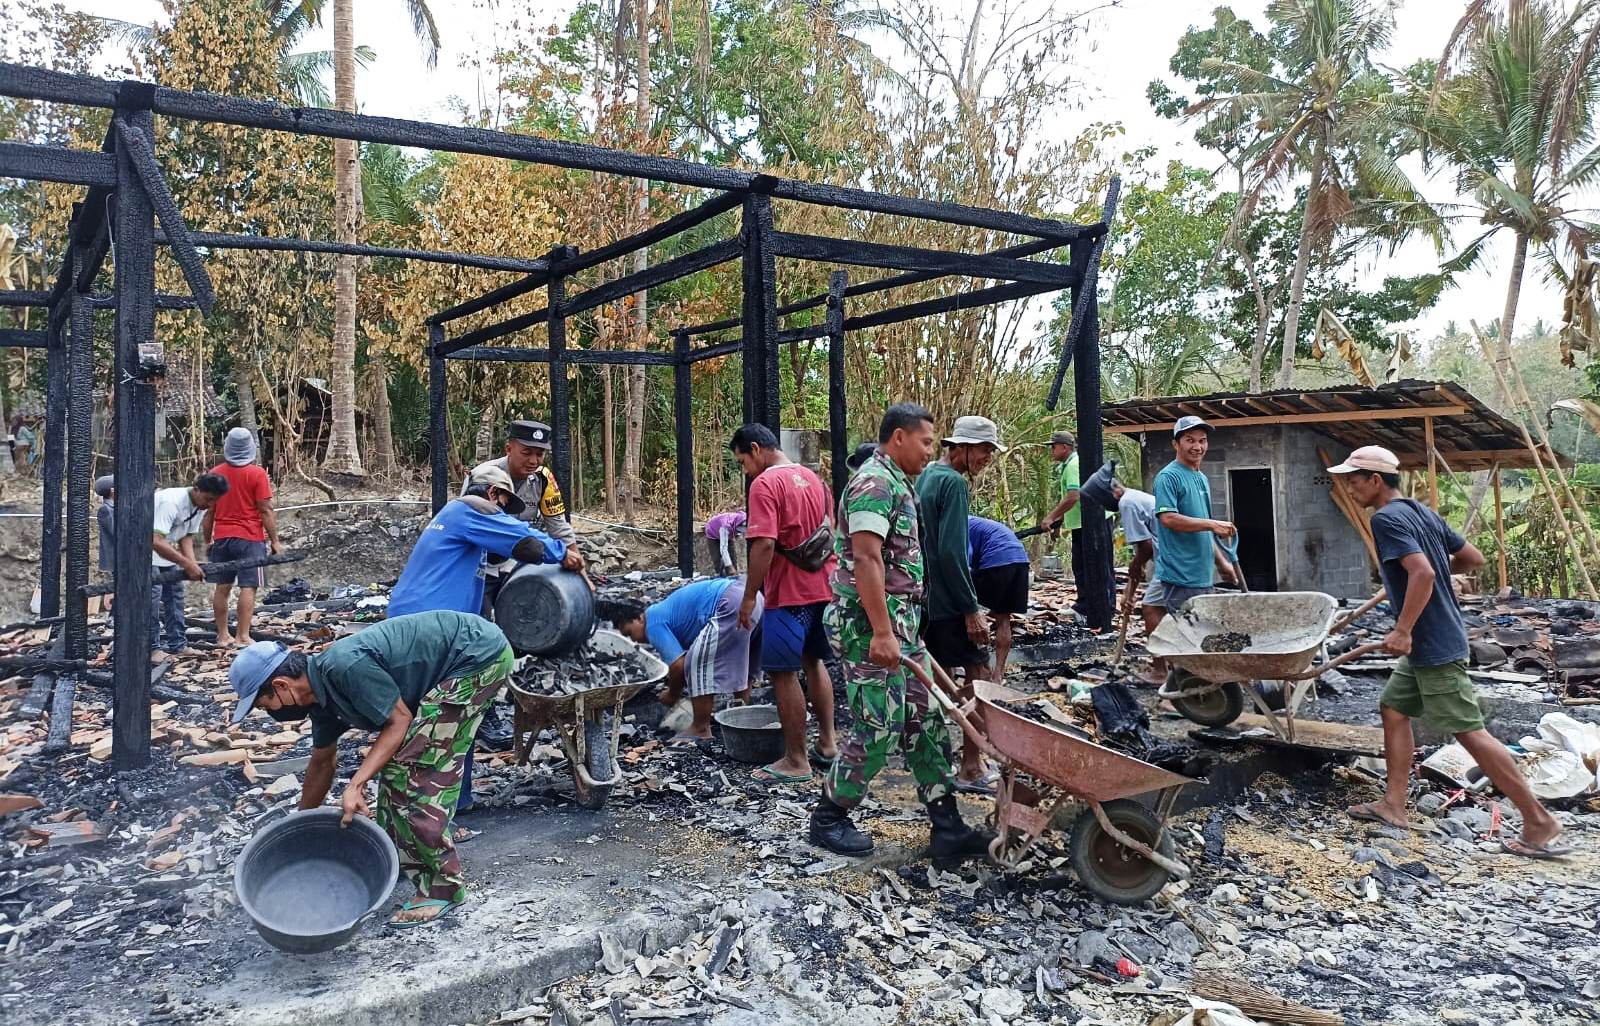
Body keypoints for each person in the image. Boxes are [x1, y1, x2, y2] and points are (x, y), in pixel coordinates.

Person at [1328, 446, 1568, 858]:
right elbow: (1470, 559)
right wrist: (1429, 576)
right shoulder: (1420, 512)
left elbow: (1423, 571)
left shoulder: (1386, 517)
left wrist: (1403, 629)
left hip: (1433, 642)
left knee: (1468, 730)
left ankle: (1539, 820)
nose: (1349, 488)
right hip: (1432, 641)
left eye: (1353, 479)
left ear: (1375, 480)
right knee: (1393, 709)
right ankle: (1394, 805)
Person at [228, 610, 516, 926]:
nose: (267, 712)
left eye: (262, 704)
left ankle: (444, 889)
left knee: (416, 773)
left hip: (476, 657)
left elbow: (399, 720)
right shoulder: (322, 701)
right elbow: (322, 763)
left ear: (281, 686)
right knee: (394, 769)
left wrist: (356, 784)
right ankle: (396, 858)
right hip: (460, 660)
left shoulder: (344, 666)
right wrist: (300, 831)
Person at [809, 403, 992, 864]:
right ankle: (829, 816)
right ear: (898, 438)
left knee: (925, 722)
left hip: (898, 625)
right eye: (927, 441)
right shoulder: (874, 482)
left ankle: (947, 827)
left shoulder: (898, 482)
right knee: (879, 725)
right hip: (868, 627)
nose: (931, 452)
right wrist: (882, 632)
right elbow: (868, 560)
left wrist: (903, 632)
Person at [390, 461, 567, 816]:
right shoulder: (472, 509)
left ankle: (452, 800)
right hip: (429, 629)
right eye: (504, 506)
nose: (502, 514)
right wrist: (566, 552)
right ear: (493, 494)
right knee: (452, 713)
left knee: (432, 715)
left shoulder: (456, 521)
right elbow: (530, 545)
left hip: (417, 625)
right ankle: (434, 811)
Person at [730, 424, 839, 785]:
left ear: (757, 449)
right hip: (823, 586)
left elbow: (763, 545)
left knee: (782, 672)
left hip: (789, 593)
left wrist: (749, 596)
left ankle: (796, 758)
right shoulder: (814, 479)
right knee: (814, 661)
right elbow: (830, 532)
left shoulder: (764, 484)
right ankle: (827, 744)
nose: (745, 469)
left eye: (743, 460)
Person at [917, 415, 1003, 789]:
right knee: (977, 679)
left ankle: (937, 766)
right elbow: (951, 552)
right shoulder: (952, 483)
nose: (988, 458)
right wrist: (971, 609)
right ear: (963, 448)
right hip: (950, 601)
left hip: (926, 598)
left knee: (938, 684)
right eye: (984, 450)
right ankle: (971, 765)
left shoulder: (925, 477)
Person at [614, 576, 763, 740]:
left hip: (730, 603)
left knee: (696, 663)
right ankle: (740, 719)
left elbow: (678, 665)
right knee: (742, 663)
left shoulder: (652, 622)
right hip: (754, 599)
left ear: (640, 618)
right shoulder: (663, 610)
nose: (633, 640)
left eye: (629, 633)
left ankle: (700, 728)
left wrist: (672, 694)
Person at [471, 419, 585, 615]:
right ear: (509, 448)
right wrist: (556, 552)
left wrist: (582, 577)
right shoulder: (484, 477)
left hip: (515, 565)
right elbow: (488, 529)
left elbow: (560, 528)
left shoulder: (543, 479)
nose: (533, 461)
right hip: (480, 567)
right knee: (479, 623)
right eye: (526, 453)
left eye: (539, 454)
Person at [1079, 462, 1164, 683]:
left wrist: (1134, 571)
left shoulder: (1127, 503)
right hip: (1171, 559)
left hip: (1173, 562)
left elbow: (1144, 550)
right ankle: (1170, 664)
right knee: (1163, 611)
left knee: (1151, 610)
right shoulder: (1136, 498)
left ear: (1112, 493)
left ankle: (1161, 669)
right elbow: (1142, 556)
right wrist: (1129, 591)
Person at [1150, 416, 1237, 629]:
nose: (1197, 447)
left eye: (1202, 440)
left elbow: (1204, 530)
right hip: (1181, 576)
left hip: (1203, 575)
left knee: (1204, 638)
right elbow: (1168, 518)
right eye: (1190, 440)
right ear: (1176, 444)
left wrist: (1221, 563)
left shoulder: (1201, 478)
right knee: (1191, 639)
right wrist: (1212, 525)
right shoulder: (1168, 477)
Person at [203, 428, 283, 647]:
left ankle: (222, 636)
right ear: (250, 449)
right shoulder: (257, 475)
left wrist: (208, 540)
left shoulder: (214, 474)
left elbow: (209, 511)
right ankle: (243, 636)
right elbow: (265, 509)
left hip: (223, 538)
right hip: (250, 539)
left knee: (222, 586)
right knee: (248, 587)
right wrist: (275, 541)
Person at [150, 474, 230, 662]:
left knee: (176, 597)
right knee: (151, 600)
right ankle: (152, 649)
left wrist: (192, 564)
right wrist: (186, 564)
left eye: (214, 501)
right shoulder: (171, 501)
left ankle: (178, 645)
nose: (209, 504)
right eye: (208, 499)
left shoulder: (200, 506)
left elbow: (185, 537)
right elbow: (154, 540)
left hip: (166, 551)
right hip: (144, 552)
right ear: (196, 489)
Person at [967, 516, 1030, 686]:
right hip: (1020, 560)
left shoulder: (958, 524)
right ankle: (998, 675)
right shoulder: (978, 523)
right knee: (1003, 620)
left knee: (967, 613)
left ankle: (982, 669)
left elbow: (964, 563)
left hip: (996, 561)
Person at [703, 510, 747, 576]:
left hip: (729, 532)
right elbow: (723, 548)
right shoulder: (725, 526)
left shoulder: (744, 519)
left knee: (732, 557)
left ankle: (733, 579)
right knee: (717, 559)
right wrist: (729, 566)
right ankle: (720, 577)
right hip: (712, 532)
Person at [94, 474, 115, 581]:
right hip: (114, 560)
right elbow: (116, 533)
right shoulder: (106, 510)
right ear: (112, 491)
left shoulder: (114, 508)